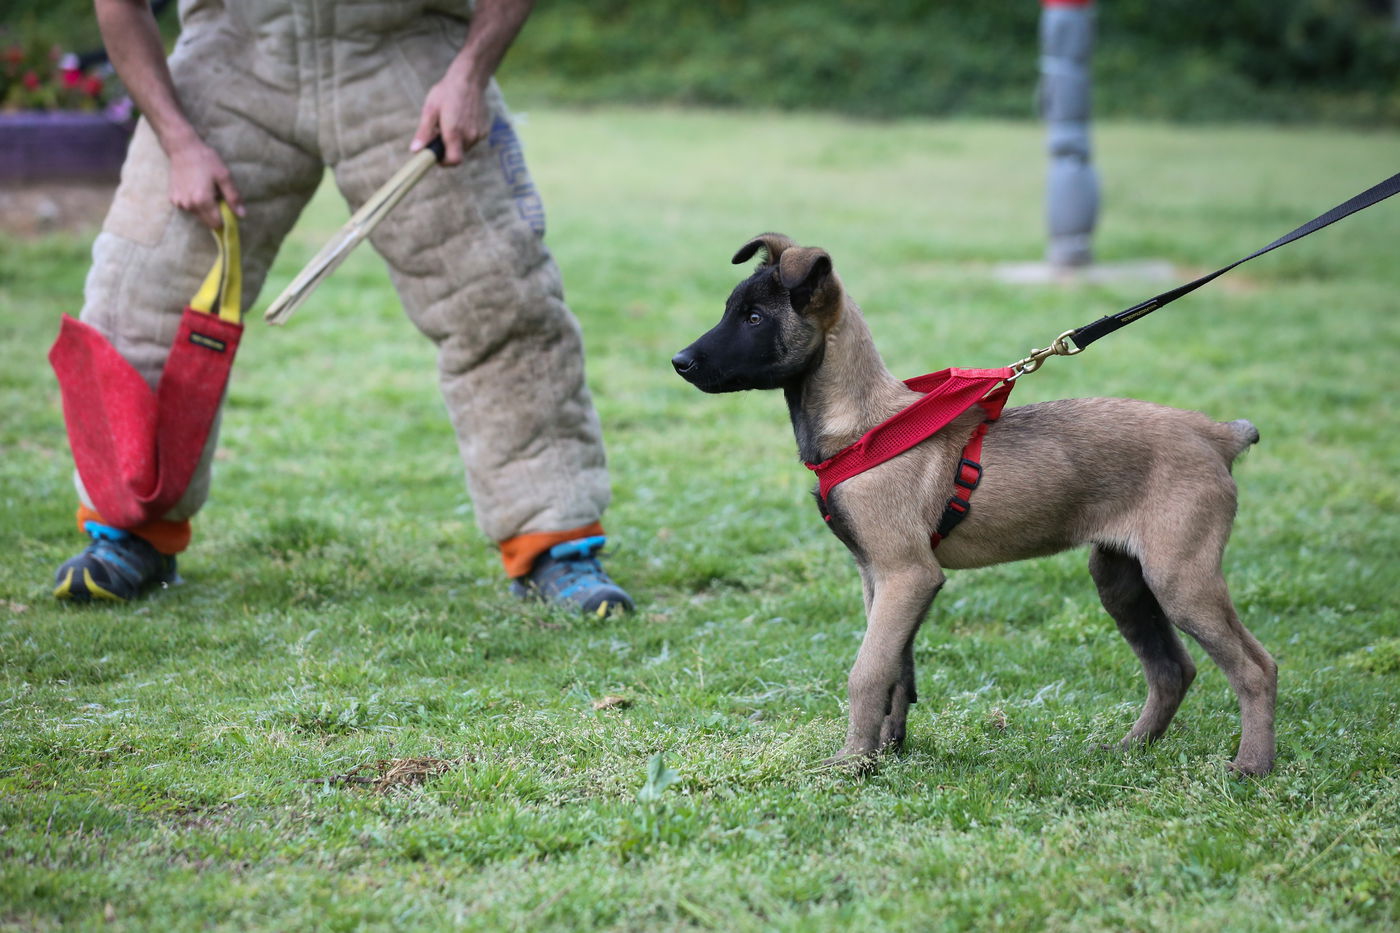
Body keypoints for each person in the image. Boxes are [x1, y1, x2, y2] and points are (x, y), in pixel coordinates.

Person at [52, 0, 632, 614]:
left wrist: (470, 74)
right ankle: (129, 530)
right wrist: (177, 138)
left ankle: (553, 540)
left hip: (405, 55)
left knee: (501, 300)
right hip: (234, 57)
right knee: (136, 303)